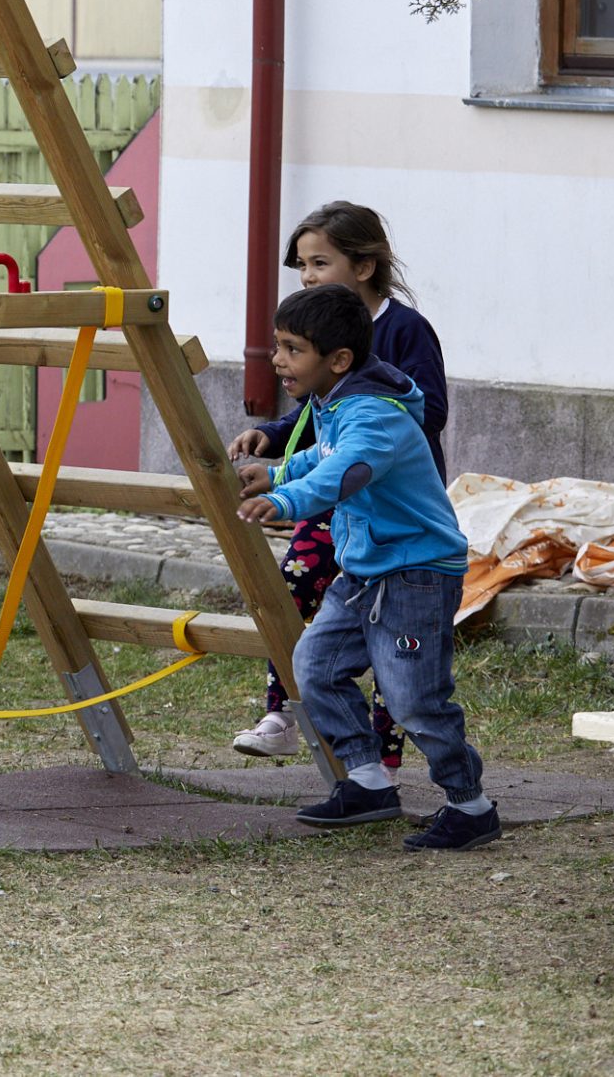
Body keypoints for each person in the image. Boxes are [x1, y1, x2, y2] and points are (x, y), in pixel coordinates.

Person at [237, 284, 498, 850]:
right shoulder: (336, 404)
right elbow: (323, 455)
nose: (278, 359)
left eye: (292, 349)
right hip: (364, 571)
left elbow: (344, 472)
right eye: (276, 346)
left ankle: (470, 805)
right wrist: (278, 472)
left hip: (416, 574)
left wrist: (284, 500)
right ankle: (368, 781)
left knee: (413, 699)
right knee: (315, 665)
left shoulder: (375, 416)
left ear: (338, 360)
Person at [225, 201, 449, 760]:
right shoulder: (313, 331)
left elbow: (429, 410)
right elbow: (316, 417)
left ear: (365, 266)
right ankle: (284, 713)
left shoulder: (403, 330)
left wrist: (370, 437)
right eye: (302, 265)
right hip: (330, 500)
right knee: (293, 589)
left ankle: (384, 759)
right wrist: (273, 440)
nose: (307, 276)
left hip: (389, 510)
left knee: (396, 641)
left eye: (320, 263)